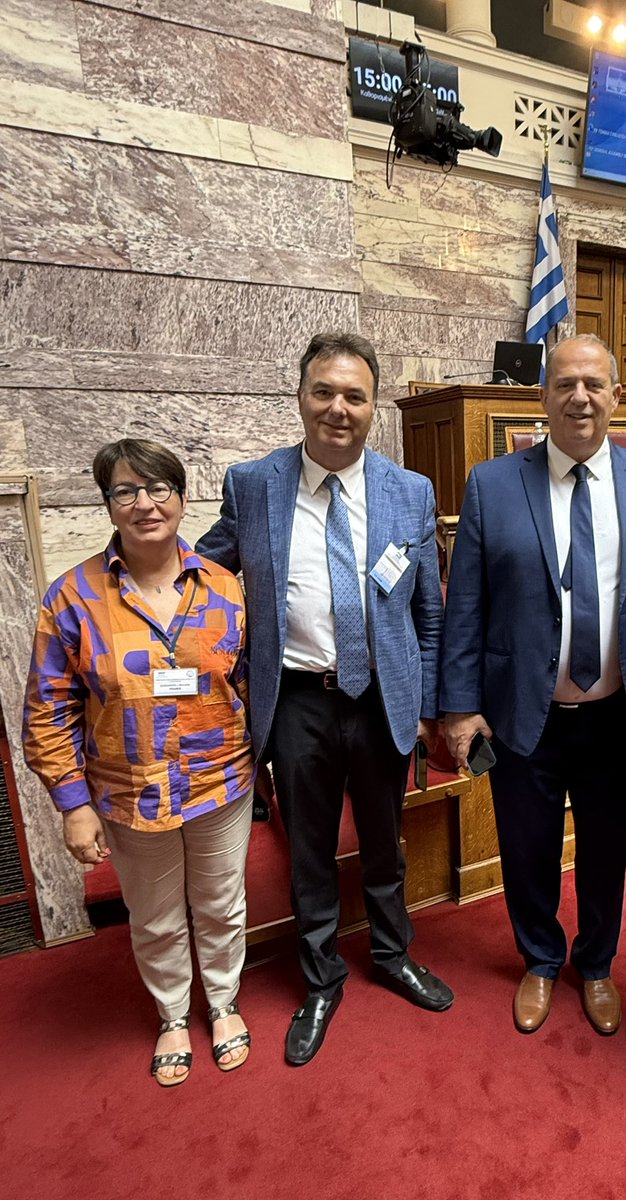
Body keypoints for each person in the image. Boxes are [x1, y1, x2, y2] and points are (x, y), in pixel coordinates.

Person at [198, 331, 452, 1067]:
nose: (337, 409)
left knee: (384, 844)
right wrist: (125, 568)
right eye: (324, 392)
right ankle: (319, 981)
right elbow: (203, 570)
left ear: (374, 408)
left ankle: (393, 954)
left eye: (354, 396)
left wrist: (428, 704)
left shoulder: (410, 491)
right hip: (298, 702)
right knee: (310, 850)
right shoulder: (254, 484)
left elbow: (426, 613)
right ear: (301, 396)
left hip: (381, 701)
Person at [440, 334, 626, 1036]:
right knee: (527, 848)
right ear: (542, 397)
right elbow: (466, 606)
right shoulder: (492, 483)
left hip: (616, 713)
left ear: (616, 396)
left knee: (608, 849)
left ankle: (598, 963)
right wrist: (459, 707)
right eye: (564, 384)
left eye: (593, 384)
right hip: (523, 713)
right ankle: (541, 959)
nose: (579, 396)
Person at [22, 439, 255, 1087]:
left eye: (159, 489)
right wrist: (73, 805)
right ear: (109, 505)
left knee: (220, 903)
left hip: (221, 784)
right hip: (129, 795)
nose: (145, 504)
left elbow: (249, 686)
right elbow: (47, 708)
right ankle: (174, 1016)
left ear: (183, 499)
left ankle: (225, 1002)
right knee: (154, 916)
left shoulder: (225, 588)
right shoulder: (72, 598)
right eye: (126, 491)